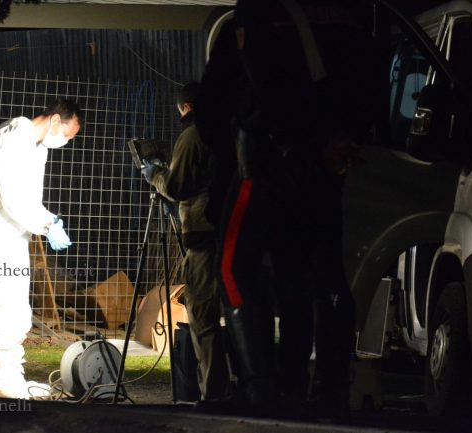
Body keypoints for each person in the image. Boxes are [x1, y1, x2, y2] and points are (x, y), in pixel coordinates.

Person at [196, 0, 380, 421]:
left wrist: (235, 149)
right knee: (313, 274)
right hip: (326, 167)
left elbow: (224, 100)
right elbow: (370, 86)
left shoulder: (257, 16)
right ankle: (323, 389)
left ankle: (258, 387)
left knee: (233, 269)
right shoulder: (350, 18)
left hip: (262, 160)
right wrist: (339, 139)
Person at [0, 99, 82, 399]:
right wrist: (47, 224)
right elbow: (11, 196)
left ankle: (11, 377)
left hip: (10, 233)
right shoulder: (13, 139)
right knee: (1, 307)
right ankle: (0, 383)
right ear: (55, 120)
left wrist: (48, 221)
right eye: (68, 135)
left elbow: (26, 199)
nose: (67, 142)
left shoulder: (35, 147)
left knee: (15, 309)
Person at [141, 82, 230, 403]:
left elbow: (178, 186)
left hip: (204, 236)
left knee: (203, 314)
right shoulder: (228, 131)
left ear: (187, 108)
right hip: (229, 233)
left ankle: (213, 396)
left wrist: (154, 174)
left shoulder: (194, 135)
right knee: (234, 313)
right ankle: (240, 388)